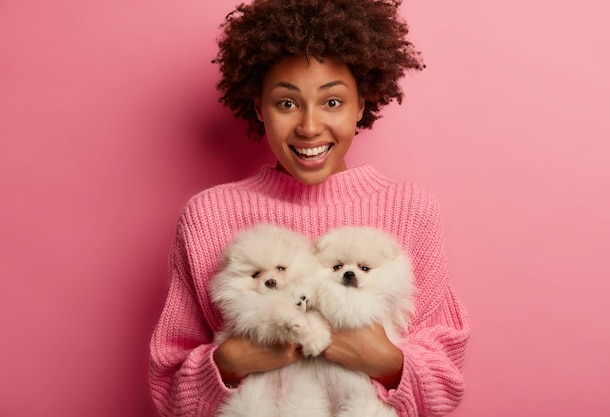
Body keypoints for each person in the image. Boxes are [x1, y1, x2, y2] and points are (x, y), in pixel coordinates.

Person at [149, 0, 471, 416]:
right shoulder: (209, 214)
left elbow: (445, 385)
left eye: (332, 102)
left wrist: (383, 359)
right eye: (286, 103)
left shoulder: (411, 209)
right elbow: (170, 389)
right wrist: (233, 360)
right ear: (257, 107)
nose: (309, 126)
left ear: (362, 103)